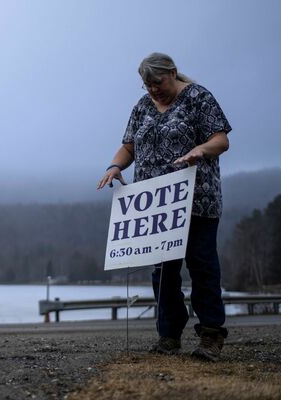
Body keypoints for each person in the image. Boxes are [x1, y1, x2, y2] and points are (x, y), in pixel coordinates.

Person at [97, 52, 232, 362]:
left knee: (202, 266)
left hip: (197, 200)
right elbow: (129, 145)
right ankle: (168, 336)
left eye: (157, 82)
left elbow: (221, 140)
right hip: (156, 207)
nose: (153, 90)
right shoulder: (142, 107)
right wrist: (115, 166)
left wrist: (200, 149)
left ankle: (211, 335)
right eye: (147, 85)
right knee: (163, 272)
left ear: (172, 73)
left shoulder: (199, 97)